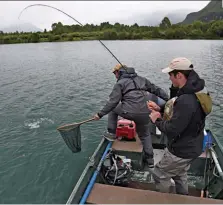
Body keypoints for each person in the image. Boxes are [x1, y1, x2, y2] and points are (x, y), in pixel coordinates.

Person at [148, 57, 212, 195]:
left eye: (170, 75)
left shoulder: (187, 100)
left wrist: (156, 120)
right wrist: (160, 108)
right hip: (193, 146)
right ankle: (183, 198)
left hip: (181, 151)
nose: (170, 78)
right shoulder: (196, 88)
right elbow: (178, 107)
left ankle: (162, 201)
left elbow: (171, 129)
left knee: (160, 174)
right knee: (180, 173)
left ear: (179, 75)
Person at [94, 64, 169, 168]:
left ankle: (111, 133)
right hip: (144, 114)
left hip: (129, 112)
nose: (114, 76)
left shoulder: (120, 83)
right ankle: (150, 160)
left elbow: (112, 102)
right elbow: (157, 90)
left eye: (114, 73)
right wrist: (169, 100)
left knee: (113, 108)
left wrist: (100, 114)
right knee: (145, 135)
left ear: (119, 72)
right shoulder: (142, 79)